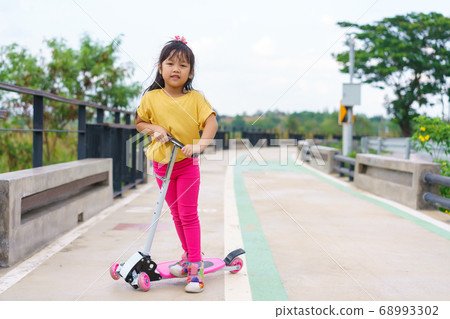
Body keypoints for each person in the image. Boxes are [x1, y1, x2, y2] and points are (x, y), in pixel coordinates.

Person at [135, 36, 218, 293]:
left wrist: (200, 145)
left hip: (185, 165)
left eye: (183, 65)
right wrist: (154, 128)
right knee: (176, 214)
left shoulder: (195, 99)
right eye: (170, 63)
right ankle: (188, 255)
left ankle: (195, 265)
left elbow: (211, 122)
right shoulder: (151, 98)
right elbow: (139, 123)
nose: (176, 69)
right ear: (160, 68)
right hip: (162, 165)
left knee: (189, 214)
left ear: (190, 72)